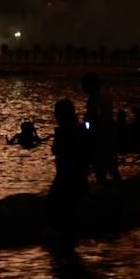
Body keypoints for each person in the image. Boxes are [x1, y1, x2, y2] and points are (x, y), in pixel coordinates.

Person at [48, 98, 89, 244]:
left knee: (61, 210)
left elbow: (57, 149)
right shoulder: (78, 129)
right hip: (76, 177)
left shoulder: (66, 131)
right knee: (69, 213)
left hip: (66, 177)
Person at [82, 73, 121, 183]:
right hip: (107, 136)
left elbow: (96, 118)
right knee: (112, 167)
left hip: (101, 138)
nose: (83, 88)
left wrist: (87, 125)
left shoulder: (96, 99)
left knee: (101, 169)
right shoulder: (103, 96)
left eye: (84, 85)